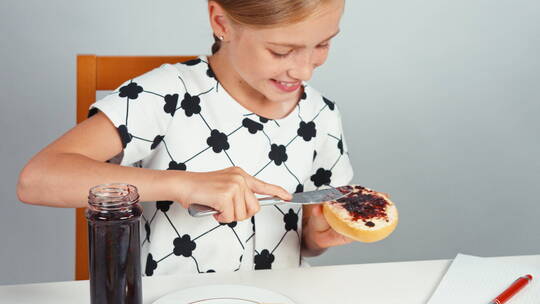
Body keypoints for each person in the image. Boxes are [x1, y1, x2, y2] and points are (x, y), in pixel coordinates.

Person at [17, 0, 355, 275]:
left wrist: (317, 237)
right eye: (281, 51)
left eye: (323, 44)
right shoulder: (167, 95)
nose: (305, 71)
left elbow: (305, 241)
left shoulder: (321, 115)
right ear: (221, 22)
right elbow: (38, 179)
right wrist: (183, 183)